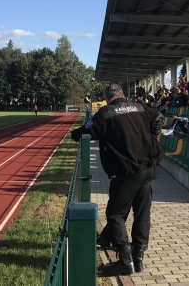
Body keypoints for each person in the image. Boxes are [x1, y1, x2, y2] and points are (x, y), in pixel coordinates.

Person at [70, 83, 163, 276]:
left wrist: (75, 134)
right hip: (148, 167)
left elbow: (87, 131)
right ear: (121, 95)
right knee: (142, 213)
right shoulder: (139, 106)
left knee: (115, 215)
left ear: (107, 98)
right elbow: (159, 117)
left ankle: (125, 260)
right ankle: (138, 258)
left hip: (126, 171)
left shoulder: (105, 113)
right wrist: (150, 136)